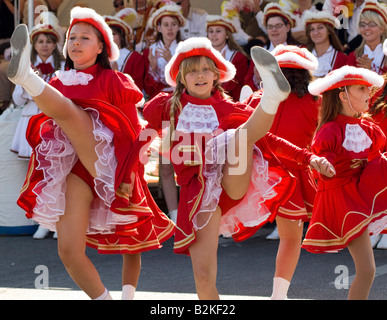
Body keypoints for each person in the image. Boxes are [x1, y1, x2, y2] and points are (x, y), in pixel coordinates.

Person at [141, 36, 334, 299]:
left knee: (242, 135)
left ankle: (271, 99)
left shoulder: (227, 108)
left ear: (217, 75)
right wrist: (131, 172)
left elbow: (268, 140)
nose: (200, 75)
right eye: (193, 70)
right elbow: (141, 137)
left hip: (230, 183)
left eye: (206, 69)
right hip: (197, 196)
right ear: (181, 77)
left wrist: (308, 158)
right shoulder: (165, 106)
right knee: (204, 278)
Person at [7, 6, 175, 300]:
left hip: (110, 163)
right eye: (72, 37)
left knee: (131, 244)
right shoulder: (59, 81)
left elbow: (132, 133)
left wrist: (127, 175)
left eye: (85, 38)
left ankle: (25, 76)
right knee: (68, 250)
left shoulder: (116, 80)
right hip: (75, 169)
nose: (75, 43)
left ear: (101, 48)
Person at [302, 65, 387, 300]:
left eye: (368, 88)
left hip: (361, 194)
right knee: (367, 269)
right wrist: (323, 165)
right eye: (362, 89)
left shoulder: (368, 128)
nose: (369, 93)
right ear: (343, 95)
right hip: (343, 200)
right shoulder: (330, 131)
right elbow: (322, 159)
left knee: (366, 270)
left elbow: (377, 157)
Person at [244, 45, 321, 299]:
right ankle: (279, 294)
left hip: (257, 173)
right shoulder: (317, 101)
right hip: (294, 176)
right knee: (290, 239)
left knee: (225, 227)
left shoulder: (258, 98)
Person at [9, 13, 65, 239]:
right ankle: (41, 219)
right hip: (31, 121)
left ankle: (55, 221)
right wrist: (29, 83)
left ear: (54, 44)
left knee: (54, 171)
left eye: (49, 41)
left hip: (52, 120)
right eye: (40, 41)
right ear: (35, 45)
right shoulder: (28, 66)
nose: (44, 45)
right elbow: (17, 100)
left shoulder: (62, 67)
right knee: (36, 173)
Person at [143, 4, 186, 223]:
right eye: (165, 25)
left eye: (173, 24)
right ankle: (175, 215)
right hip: (162, 109)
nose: (169, 28)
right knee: (166, 164)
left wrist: (172, 60)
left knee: (189, 161)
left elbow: (187, 84)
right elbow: (149, 88)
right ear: (158, 27)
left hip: (184, 109)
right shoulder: (149, 51)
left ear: (179, 27)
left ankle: (190, 212)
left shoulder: (185, 50)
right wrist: (151, 66)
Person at [244, 3, 300, 92]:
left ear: (288, 27)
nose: (274, 29)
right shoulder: (259, 53)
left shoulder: (299, 50)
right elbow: (248, 83)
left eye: (278, 26)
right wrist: (257, 79)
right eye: (270, 26)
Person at [206, 15, 249, 101]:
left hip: (231, 102)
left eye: (218, 31)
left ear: (227, 35)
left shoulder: (238, 57)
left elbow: (239, 86)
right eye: (211, 31)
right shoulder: (203, 56)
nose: (214, 34)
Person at [105, 8, 145, 91]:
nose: (110, 37)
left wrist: (115, 73)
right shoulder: (96, 56)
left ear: (121, 37)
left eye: (113, 34)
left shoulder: (135, 58)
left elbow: (137, 87)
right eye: (107, 34)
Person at [346, 0, 387, 75]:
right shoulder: (353, 56)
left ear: (382, 28)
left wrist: (372, 68)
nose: (366, 28)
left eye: (372, 24)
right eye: (363, 24)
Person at [303, 10, 348, 77]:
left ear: (329, 31)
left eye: (320, 27)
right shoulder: (303, 56)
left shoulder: (342, 58)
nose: (316, 33)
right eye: (312, 29)